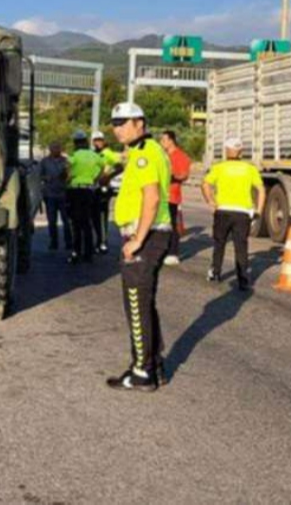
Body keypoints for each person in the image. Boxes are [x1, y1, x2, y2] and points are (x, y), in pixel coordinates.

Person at [106, 103, 172, 392]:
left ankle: (142, 371)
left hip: (146, 236)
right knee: (144, 304)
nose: (116, 128)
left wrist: (137, 240)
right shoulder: (142, 151)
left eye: (123, 122)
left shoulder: (145, 153)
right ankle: (153, 364)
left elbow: (152, 198)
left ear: (139, 123)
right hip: (150, 235)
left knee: (135, 303)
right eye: (114, 123)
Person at [202, 137, 266, 290]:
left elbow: (205, 184)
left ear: (226, 151)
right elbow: (261, 190)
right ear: (241, 151)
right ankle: (243, 279)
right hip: (242, 213)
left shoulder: (219, 167)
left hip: (223, 210)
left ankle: (215, 272)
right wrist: (258, 211)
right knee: (241, 246)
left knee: (219, 243)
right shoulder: (249, 168)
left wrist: (211, 201)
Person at [66, 129, 105, 264]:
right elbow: (103, 168)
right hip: (89, 191)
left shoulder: (74, 156)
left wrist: (65, 181)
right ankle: (88, 253)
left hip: (75, 191)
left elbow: (68, 173)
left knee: (76, 223)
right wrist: (96, 179)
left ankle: (76, 252)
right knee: (87, 222)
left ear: (75, 143)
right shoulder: (94, 156)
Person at [160, 130, 192, 266]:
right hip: (160, 195)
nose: (162, 143)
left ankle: (173, 252)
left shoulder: (180, 156)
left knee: (172, 225)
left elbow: (184, 175)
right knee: (160, 225)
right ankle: (162, 250)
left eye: (163, 140)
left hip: (172, 196)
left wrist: (172, 176)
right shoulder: (163, 155)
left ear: (171, 140)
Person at [92, 131, 123, 253]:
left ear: (104, 140)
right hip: (94, 187)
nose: (98, 142)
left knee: (101, 215)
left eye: (100, 140)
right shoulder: (94, 154)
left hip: (104, 188)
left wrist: (108, 176)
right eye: (96, 140)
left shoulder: (108, 153)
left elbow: (120, 166)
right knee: (93, 216)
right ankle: (97, 240)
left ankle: (103, 242)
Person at [39, 142, 72, 251]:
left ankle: (69, 242)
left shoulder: (65, 161)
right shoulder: (44, 162)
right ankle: (54, 242)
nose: (56, 150)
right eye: (54, 148)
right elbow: (39, 176)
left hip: (63, 194)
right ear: (50, 149)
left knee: (66, 220)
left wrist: (66, 177)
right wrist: (45, 178)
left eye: (58, 148)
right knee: (52, 221)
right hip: (50, 195)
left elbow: (70, 174)